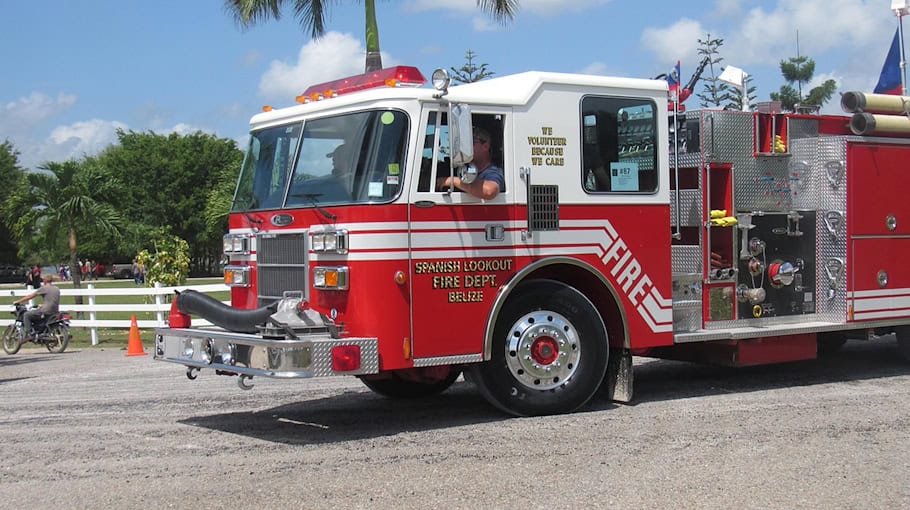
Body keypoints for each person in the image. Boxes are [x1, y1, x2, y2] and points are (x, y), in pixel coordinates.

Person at [436, 126, 504, 199]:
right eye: (465, 143)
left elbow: (490, 191)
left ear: (486, 147)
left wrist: (454, 181)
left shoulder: (493, 172)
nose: (466, 147)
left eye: (472, 143)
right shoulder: (463, 168)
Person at [13, 273, 61, 340]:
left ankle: (30, 334)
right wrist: (42, 305)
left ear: (45, 281)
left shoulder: (44, 288)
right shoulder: (56, 288)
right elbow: (52, 300)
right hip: (55, 311)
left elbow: (30, 296)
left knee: (26, 315)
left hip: (46, 310)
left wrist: (18, 301)